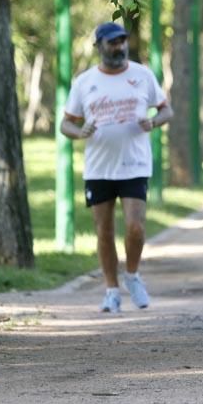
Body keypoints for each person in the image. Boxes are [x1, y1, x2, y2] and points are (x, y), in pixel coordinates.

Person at [61, 22, 173, 313]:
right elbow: (65, 123)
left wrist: (155, 122)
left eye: (122, 41)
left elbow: (166, 109)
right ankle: (111, 290)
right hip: (99, 168)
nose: (119, 46)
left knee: (136, 226)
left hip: (135, 164)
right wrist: (80, 131)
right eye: (112, 42)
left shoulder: (142, 75)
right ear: (99, 46)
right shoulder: (85, 82)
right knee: (103, 231)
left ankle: (132, 275)